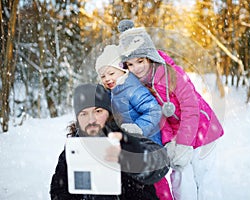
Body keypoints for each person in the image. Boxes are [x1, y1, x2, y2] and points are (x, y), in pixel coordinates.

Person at [117, 19, 224, 200]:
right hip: (176, 135)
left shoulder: (171, 74)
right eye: (130, 64)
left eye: (140, 61)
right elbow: (158, 118)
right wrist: (169, 142)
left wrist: (183, 143)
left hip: (202, 130)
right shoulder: (137, 87)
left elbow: (191, 108)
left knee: (203, 178)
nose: (136, 68)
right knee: (180, 181)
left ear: (149, 57)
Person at [50, 83, 170, 200]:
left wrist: (132, 157)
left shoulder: (127, 138)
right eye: (84, 114)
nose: (91, 120)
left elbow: (162, 162)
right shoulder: (74, 150)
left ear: (109, 113)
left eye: (98, 111)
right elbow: (59, 191)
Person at [95, 45, 173, 200]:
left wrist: (138, 128)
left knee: (156, 182)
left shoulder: (132, 89)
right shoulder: (114, 91)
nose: (107, 78)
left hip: (148, 143)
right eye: (103, 76)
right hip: (132, 144)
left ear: (122, 71)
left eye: (111, 73)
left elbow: (153, 110)